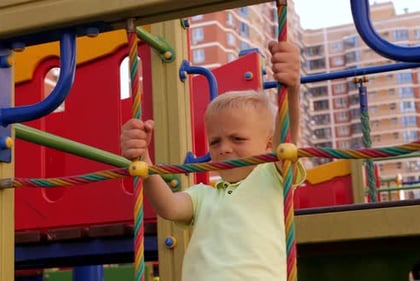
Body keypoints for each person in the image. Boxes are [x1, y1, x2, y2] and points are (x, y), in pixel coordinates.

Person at [120, 41, 305, 281]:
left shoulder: (272, 177)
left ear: (268, 145)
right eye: (215, 142)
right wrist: (143, 159)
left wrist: (291, 90)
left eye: (237, 139)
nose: (225, 149)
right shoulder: (203, 196)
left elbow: (287, 142)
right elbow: (168, 206)